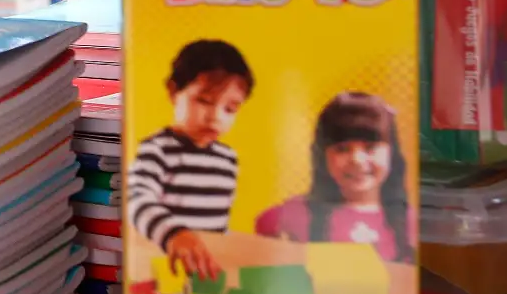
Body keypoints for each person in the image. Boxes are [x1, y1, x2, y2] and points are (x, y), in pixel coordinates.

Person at [125, 40, 252, 281]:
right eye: (204, 101)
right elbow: (137, 200)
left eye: (230, 109)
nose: (215, 117)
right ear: (174, 92)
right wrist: (175, 234)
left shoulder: (227, 159)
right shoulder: (158, 150)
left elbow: (218, 227)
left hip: (207, 271)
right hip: (165, 268)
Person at [255, 93, 413, 263]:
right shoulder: (293, 215)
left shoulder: (413, 224)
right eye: (342, 149)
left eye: (370, 147)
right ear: (323, 156)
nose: (357, 160)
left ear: (392, 153)